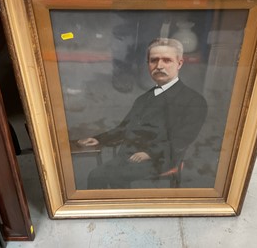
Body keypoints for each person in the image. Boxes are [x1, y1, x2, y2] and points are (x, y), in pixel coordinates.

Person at [78, 38, 208, 189]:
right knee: (95, 175)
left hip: (161, 158)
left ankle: (124, 211)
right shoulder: (144, 98)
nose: (159, 66)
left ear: (179, 63)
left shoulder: (193, 100)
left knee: (116, 176)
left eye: (167, 60)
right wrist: (99, 139)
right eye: (154, 61)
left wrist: (149, 153)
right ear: (148, 64)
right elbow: (124, 128)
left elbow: (182, 140)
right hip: (128, 155)